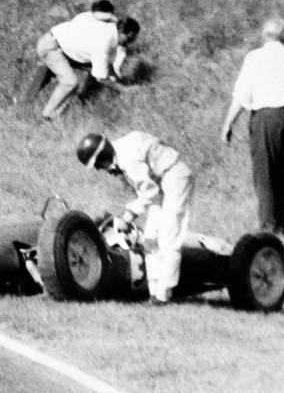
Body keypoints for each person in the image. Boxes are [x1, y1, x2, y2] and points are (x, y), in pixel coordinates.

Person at [219, 18, 284, 234]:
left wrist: (227, 125)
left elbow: (241, 96)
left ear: (263, 36)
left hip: (267, 118)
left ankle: (268, 229)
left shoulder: (254, 58)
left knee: (265, 174)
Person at [76, 131, 195, 305]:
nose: (101, 168)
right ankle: (153, 292)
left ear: (104, 155)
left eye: (99, 163)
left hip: (175, 178)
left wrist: (128, 216)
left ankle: (164, 294)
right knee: (150, 239)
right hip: (161, 182)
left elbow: (149, 191)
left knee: (168, 238)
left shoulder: (127, 157)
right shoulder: (120, 154)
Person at [35, 11, 138, 120]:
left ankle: (69, 105)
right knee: (70, 82)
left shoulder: (108, 27)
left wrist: (116, 76)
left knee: (96, 70)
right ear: (123, 32)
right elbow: (101, 78)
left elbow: (93, 15)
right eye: (130, 38)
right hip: (51, 47)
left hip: (60, 43)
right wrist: (123, 89)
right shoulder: (104, 42)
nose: (129, 43)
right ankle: (47, 115)